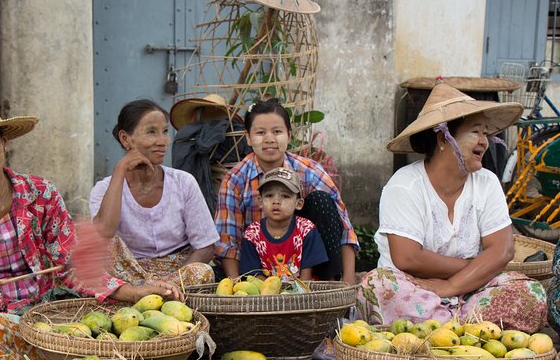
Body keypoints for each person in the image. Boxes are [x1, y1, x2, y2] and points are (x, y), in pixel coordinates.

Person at [0, 96, 181, 360]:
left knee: (117, 315)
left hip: (50, 313)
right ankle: (61, 353)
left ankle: (46, 352)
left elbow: (72, 266)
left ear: (4, 142)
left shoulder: (41, 194)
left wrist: (134, 292)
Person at [356, 81, 547, 333]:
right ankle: (467, 330)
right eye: (475, 132)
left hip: (471, 291)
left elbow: (502, 250)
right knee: (377, 286)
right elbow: (407, 257)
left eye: (486, 133)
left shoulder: (487, 183)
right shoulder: (404, 185)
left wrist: (451, 286)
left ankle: (446, 329)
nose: (485, 141)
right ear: (442, 139)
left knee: (530, 292)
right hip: (414, 290)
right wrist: (477, 264)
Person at [214, 98, 358, 283]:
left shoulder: (308, 171)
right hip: (257, 271)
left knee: (321, 201)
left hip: (306, 264)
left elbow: (345, 227)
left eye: (277, 131)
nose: (269, 139)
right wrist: (237, 288)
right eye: (260, 132)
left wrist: (348, 280)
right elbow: (227, 242)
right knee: (214, 275)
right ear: (248, 138)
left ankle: (328, 283)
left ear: (289, 135)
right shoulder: (235, 180)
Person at [90, 99, 219, 287]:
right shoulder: (103, 189)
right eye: (151, 132)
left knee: (203, 271)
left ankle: (151, 293)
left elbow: (206, 247)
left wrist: (172, 282)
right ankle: (142, 292)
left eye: (165, 132)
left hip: (178, 273)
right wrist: (120, 169)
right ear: (126, 139)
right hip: (129, 273)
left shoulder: (183, 182)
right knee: (100, 249)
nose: (163, 141)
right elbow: (105, 232)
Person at [239, 167, 328, 281]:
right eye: (269, 195)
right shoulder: (252, 234)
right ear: (260, 202)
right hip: (267, 294)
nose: (276, 201)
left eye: (285, 196)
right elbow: (254, 275)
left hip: (302, 291)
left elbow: (307, 276)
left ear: (299, 204)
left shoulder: (306, 230)